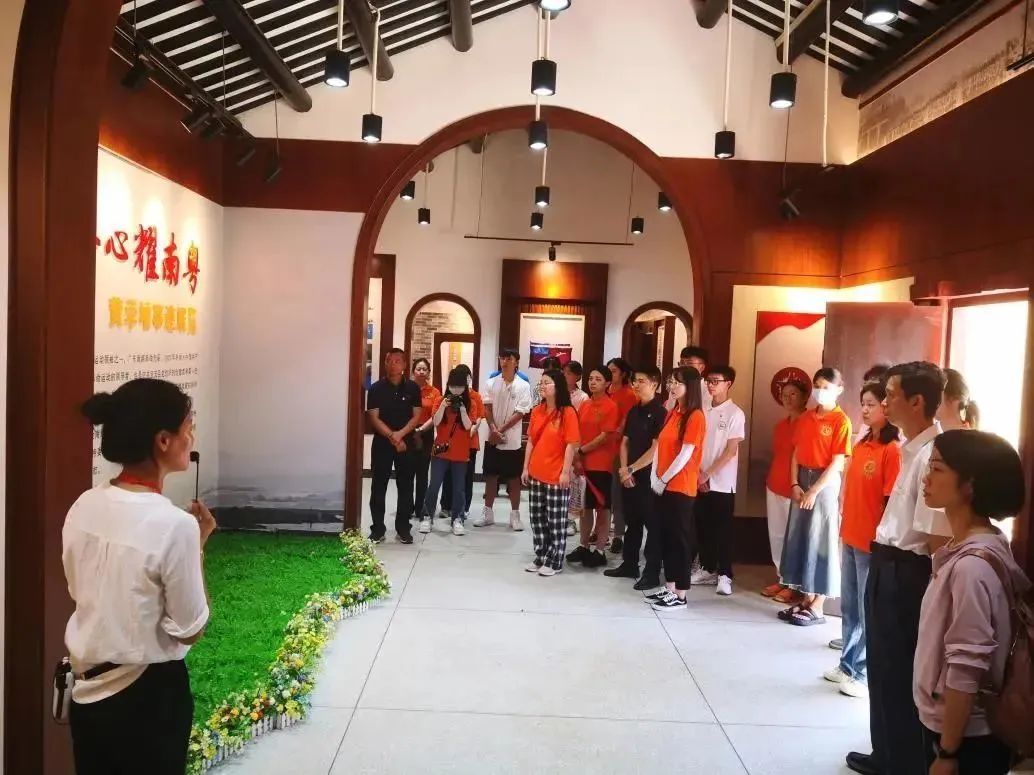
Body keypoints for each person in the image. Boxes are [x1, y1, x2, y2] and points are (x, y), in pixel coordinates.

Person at [64, 379, 215, 774]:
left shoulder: (84, 505)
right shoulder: (175, 525)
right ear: (163, 440)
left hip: (87, 695)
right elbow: (190, 628)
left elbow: (79, 590)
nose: (192, 437)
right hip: (149, 699)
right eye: (188, 428)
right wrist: (197, 546)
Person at [846, 361, 951, 775]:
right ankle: (885, 753)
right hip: (886, 560)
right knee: (882, 666)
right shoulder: (909, 447)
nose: (884, 403)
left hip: (909, 571)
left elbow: (938, 541)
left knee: (902, 668)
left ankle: (903, 761)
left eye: (890, 395)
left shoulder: (934, 455)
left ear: (917, 401)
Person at [915, 430, 1028, 775]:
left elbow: (966, 667)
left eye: (937, 468)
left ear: (970, 485)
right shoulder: (986, 544)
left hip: (965, 735)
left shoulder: (971, 568)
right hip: (961, 727)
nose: (926, 478)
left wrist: (948, 753)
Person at [823, 382, 901, 700]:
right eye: (863, 403)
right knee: (850, 606)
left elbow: (890, 502)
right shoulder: (863, 441)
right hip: (851, 534)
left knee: (868, 610)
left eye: (872, 404)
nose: (865, 410)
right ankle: (847, 664)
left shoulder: (892, 449)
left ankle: (863, 672)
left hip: (872, 541)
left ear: (886, 407)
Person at [779, 367, 851, 626]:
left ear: (839, 390)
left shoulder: (841, 421)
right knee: (800, 537)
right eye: (818, 386)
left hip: (824, 484)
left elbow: (837, 462)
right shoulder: (807, 417)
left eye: (826, 387)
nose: (821, 392)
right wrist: (794, 483)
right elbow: (796, 453)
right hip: (802, 479)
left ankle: (818, 605)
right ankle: (806, 598)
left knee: (821, 541)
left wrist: (814, 490)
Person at [645, 367, 706, 610]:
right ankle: (669, 586)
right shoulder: (673, 412)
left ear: (690, 387)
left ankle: (681, 593)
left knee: (680, 540)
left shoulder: (695, 416)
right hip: (663, 485)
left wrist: (664, 479)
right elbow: (660, 446)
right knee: (666, 537)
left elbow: (685, 454)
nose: (671, 387)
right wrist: (654, 475)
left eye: (677, 383)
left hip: (680, 486)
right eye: (671, 382)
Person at [608, 365, 668, 586]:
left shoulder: (660, 413)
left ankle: (651, 573)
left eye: (641, 381)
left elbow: (656, 448)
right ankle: (629, 564)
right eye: (634, 381)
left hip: (649, 477)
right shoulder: (634, 411)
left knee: (652, 525)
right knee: (632, 522)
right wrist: (624, 470)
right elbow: (625, 442)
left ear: (654, 384)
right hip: (629, 475)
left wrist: (632, 469)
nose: (636, 385)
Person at [692, 365, 746, 597]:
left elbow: (730, 450)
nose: (711, 385)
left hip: (722, 481)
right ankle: (707, 568)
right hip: (698, 477)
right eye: (708, 381)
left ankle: (725, 574)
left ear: (728, 384)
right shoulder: (702, 410)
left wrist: (708, 474)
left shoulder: (735, 413)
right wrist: (698, 474)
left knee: (722, 529)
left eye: (716, 381)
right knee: (702, 527)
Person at [522, 369, 580, 576]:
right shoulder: (537, 410)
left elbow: (571, 445)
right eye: (541, 383)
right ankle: (541, 554)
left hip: (556, 475)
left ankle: (555, 560)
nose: (542, 386)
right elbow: (531, 440)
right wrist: (525, 467)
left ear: (558, 386)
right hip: (536, 472)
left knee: (555, 520)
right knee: (537, 518)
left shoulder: (568, 412)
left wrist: (565, 472)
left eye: (547, 382)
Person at [366, 348, 422, 544]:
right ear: (385, 363)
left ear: (405, 365)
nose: (393, 364)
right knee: (378, 485)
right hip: (382, 443)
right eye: (389, 361)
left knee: (405, 486)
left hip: (406, 443)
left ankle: (403, 528)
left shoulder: (413, 388)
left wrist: (400, 435)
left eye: (397, 361)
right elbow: (374, 418)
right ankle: (377, 529)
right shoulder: (376, 389)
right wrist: (392, 436)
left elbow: (416, 416)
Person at [476, 347, 534, 531]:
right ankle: (487, 513)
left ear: (516, 362)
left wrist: (499, 431)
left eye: (508, 358)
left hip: (512, 440)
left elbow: (520, 412)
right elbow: (487, 408)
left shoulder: (523, 385)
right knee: (491, 476)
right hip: (492, 438)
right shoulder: (491, 382)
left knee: (513, 479)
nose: (504, 362)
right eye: (502, 358)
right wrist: (493, 430)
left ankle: (515, 516)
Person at [566, 367, 620, 569]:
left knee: (602, 508)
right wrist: (576, 457)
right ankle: (583, 545)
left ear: (607, 383)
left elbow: (604, 436)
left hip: (602, 464)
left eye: (598, 379)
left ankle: (599, 550)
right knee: (585, 507)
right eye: (591, 378)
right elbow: (577, 431)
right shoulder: (585, 404)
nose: (593, 382)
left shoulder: (611, 406)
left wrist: (582, 451)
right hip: (583, 463)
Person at [762, 379, 809, 603]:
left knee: (795, 538)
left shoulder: (809, 422)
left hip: (796, 488)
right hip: (775, 485)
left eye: (793, 394)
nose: (788, 399)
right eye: (784, 394)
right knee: (777, 535)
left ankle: (794, 583)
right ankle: (782, 578)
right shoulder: (780, 425)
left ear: (805, 397)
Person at [420, 367, 479, 536]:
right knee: (434, 485)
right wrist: (442, 407)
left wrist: (462, 410)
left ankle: (457, 519)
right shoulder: (440, 400)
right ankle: (427, 517)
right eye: (453, 386)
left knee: (459, 488)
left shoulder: (471, 403)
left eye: (459, 386)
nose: (456, 390)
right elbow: (436, 422)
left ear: (465, 387)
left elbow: (468, 426)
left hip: (460, 452)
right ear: (448, 385)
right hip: (441, 451)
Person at [440, 364, 484, 522]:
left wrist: (471, 430)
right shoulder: (449, 395)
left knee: (466, 477)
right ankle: (446, 506)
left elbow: (479, 417)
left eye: (467, 377)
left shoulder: (475, 396)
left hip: (470, 443)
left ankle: (464, 508)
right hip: (451, 443)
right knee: (448, 475)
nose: (465, 380)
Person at [606, 357, 637, 554]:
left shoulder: (629, 394)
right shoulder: (605, 391)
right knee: (603, 493)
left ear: (623, 374)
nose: (610, 374)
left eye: (614, 371)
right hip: (601, 448)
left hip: (618, 448)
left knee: (616, 494)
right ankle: (600, 530)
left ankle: (618, 534)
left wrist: (614, 432)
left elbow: (625, 421)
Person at [412, 358, 442, 523]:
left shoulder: (435, 392)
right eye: (419, 369)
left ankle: (420, 508)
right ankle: (406, 506)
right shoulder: (407, 388)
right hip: (408, 432)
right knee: (407, 471)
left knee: (422, 473)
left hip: (426, 433)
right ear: (413, 371)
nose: (422, 372)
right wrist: (411, 429)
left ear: (429, 372)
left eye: (425, 369)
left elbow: (435, 416)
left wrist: (421, 430)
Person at [563, 360, 589, 536]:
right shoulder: (558, 393)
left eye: (569, 373)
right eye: (564, 372)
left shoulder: (582, 397)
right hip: (558, 443)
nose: (565, 376)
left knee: (573, 483)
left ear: (578, 376)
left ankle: (571, 519)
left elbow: (581, 425)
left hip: (574, 442)